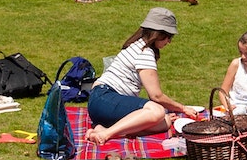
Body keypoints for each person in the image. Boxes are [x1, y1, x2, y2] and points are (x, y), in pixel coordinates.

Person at [84, 8, 196, 144]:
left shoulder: (136, 45)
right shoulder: (145, 53)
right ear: (158, 34)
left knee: (164, 122)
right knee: (157, 111)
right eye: (168, 36)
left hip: (99, 103)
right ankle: (106, 134)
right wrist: (183, 108)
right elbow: (156, 96)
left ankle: (103, 128)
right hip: (105, 98)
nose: (169, 41)